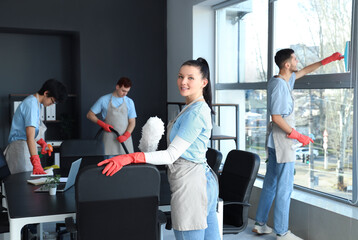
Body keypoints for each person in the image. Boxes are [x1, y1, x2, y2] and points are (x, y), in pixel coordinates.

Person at [97, 58, 220, 240]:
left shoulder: (195, 112)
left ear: (204, 82)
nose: (183, 82)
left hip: (192, 185)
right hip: (201, 179)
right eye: (180, 76)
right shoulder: (191, 107)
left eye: (190, 78)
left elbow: (171, 155)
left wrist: (129, 158)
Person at [252, 49, 343, 240]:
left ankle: (260, 224)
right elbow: (276, 117)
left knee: (271, 183)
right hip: (282, 141)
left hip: (276, 142)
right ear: (286, 64)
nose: (297, 61)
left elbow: (305, 70)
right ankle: (282, 232)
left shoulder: (285, 80)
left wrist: (326, 60)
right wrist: (298, 136)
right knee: (284, 187)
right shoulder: (278, 85)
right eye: (294, 58)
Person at [4, 79, 68, 175]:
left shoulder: (38, 105)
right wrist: (36, 163)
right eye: (52, 101)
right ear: (46, 93)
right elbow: (29, 138)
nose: (52, 104)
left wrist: (40, 142)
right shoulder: (31, 105)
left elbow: (31, 131)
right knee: (23, 184)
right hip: (19, 150)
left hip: (24, 148)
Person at [87, 77, 136, 156]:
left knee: (126, 167)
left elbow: (132, 122)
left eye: (127, 92)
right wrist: (102, 124)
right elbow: (90, 115)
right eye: (123, 91)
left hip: (125, 141)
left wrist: (126, 135)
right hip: (109, 140)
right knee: (109, 165)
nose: (125, 94)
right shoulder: (104, 100)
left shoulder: (129, 102)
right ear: (117, 87)